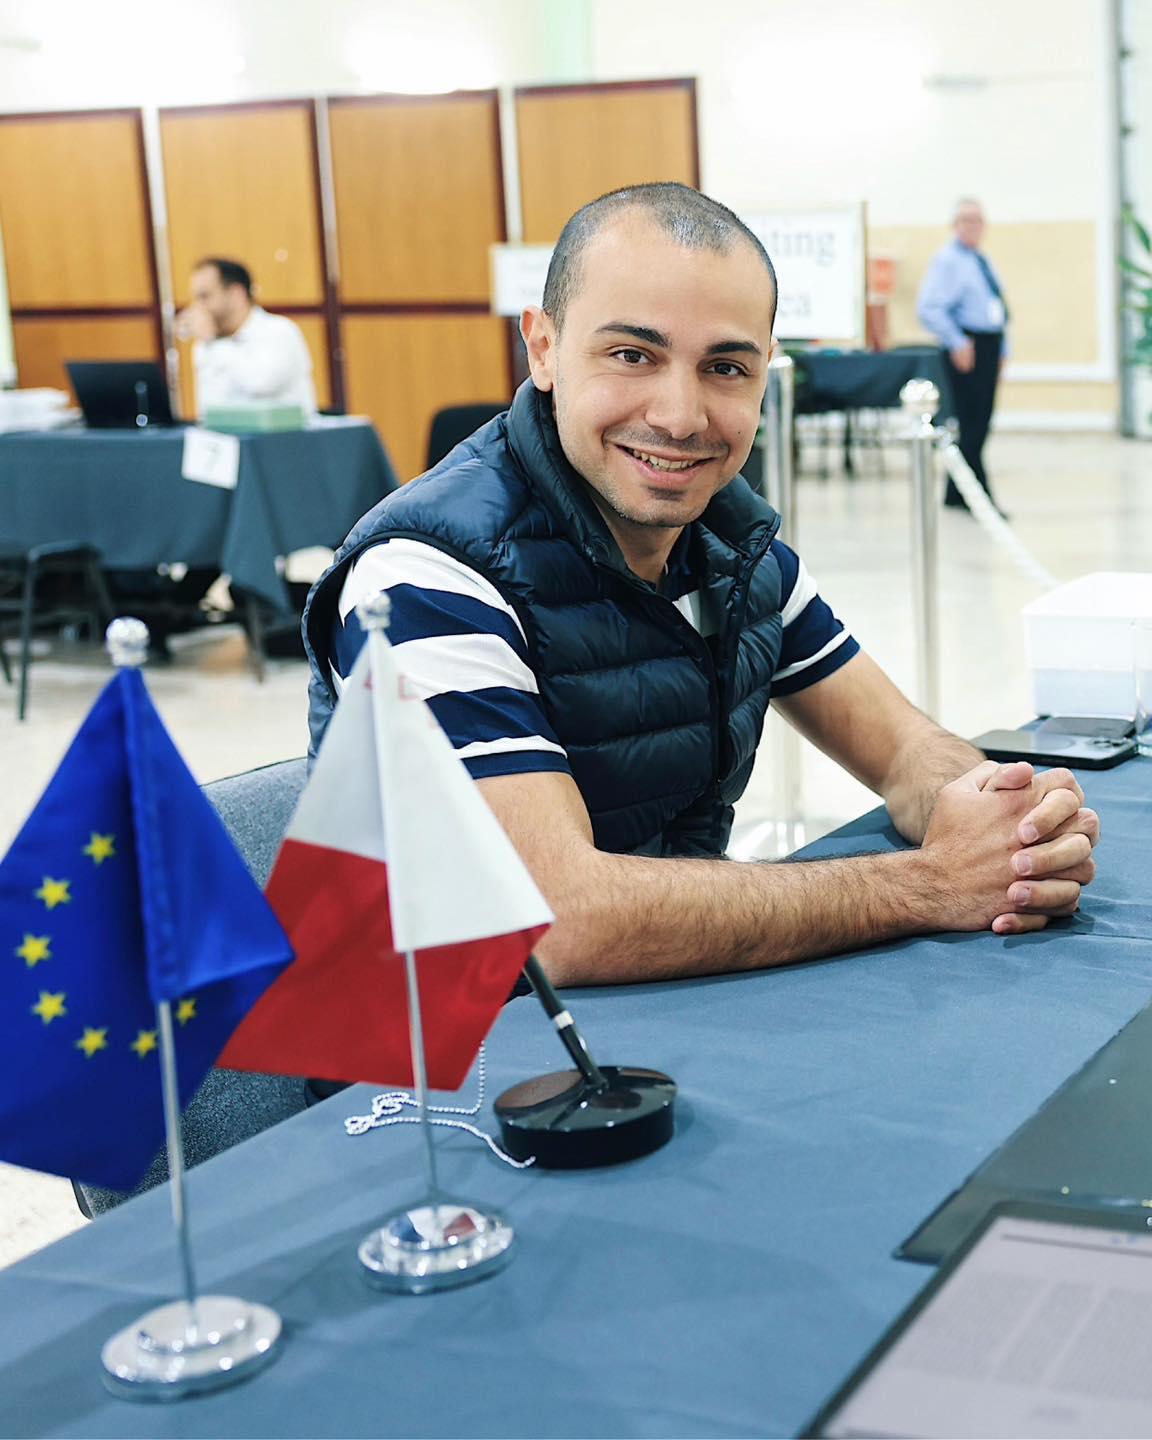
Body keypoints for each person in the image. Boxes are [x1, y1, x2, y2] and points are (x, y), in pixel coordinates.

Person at [302, 183, 1097, 986]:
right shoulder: (423, 578)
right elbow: (556, 920)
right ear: (542, 348)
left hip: (656, 1011)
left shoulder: (731, 541)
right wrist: (929, 884)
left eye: (724, 367)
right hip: (442, 1076)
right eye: (631, 355)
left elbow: (903, 751)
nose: (681, 416)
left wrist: (1005, 814)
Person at [917, 199, 1009, 513]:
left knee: (981, 421)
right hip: (968, 348)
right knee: (972, 424)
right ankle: (979, 497)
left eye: (978, 220)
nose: (973, 226)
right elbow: (930, 308)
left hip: (988, 346)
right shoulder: (948, 261)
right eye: (966, 220)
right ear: (955, 225)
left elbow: (995, 308)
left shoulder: (980, 259)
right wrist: (957, 342)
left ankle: (956, 494)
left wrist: (1002, 351)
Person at [175, 257, 317, 417]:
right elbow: (209, 410)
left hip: (283, 438)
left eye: (205, 297)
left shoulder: (279, 331)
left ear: (236, 294)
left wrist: (213, 343)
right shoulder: (206, 344)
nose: (197, 307)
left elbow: (260, 384)